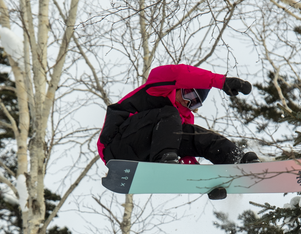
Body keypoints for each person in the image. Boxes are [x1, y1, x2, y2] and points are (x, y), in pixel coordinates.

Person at [98, 63, 259, 167]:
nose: (187, 102)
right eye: (188, 94)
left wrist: (204, 182)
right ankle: (166, 162)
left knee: (198, 136)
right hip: (115, 146)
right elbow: (180, 73)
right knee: (170, 114)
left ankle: (235, 160)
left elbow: (186, 150)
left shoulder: (180, 119)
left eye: (194, 102)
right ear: (181, 86)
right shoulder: (157, 89)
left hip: (148, 154)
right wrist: (220, 82)